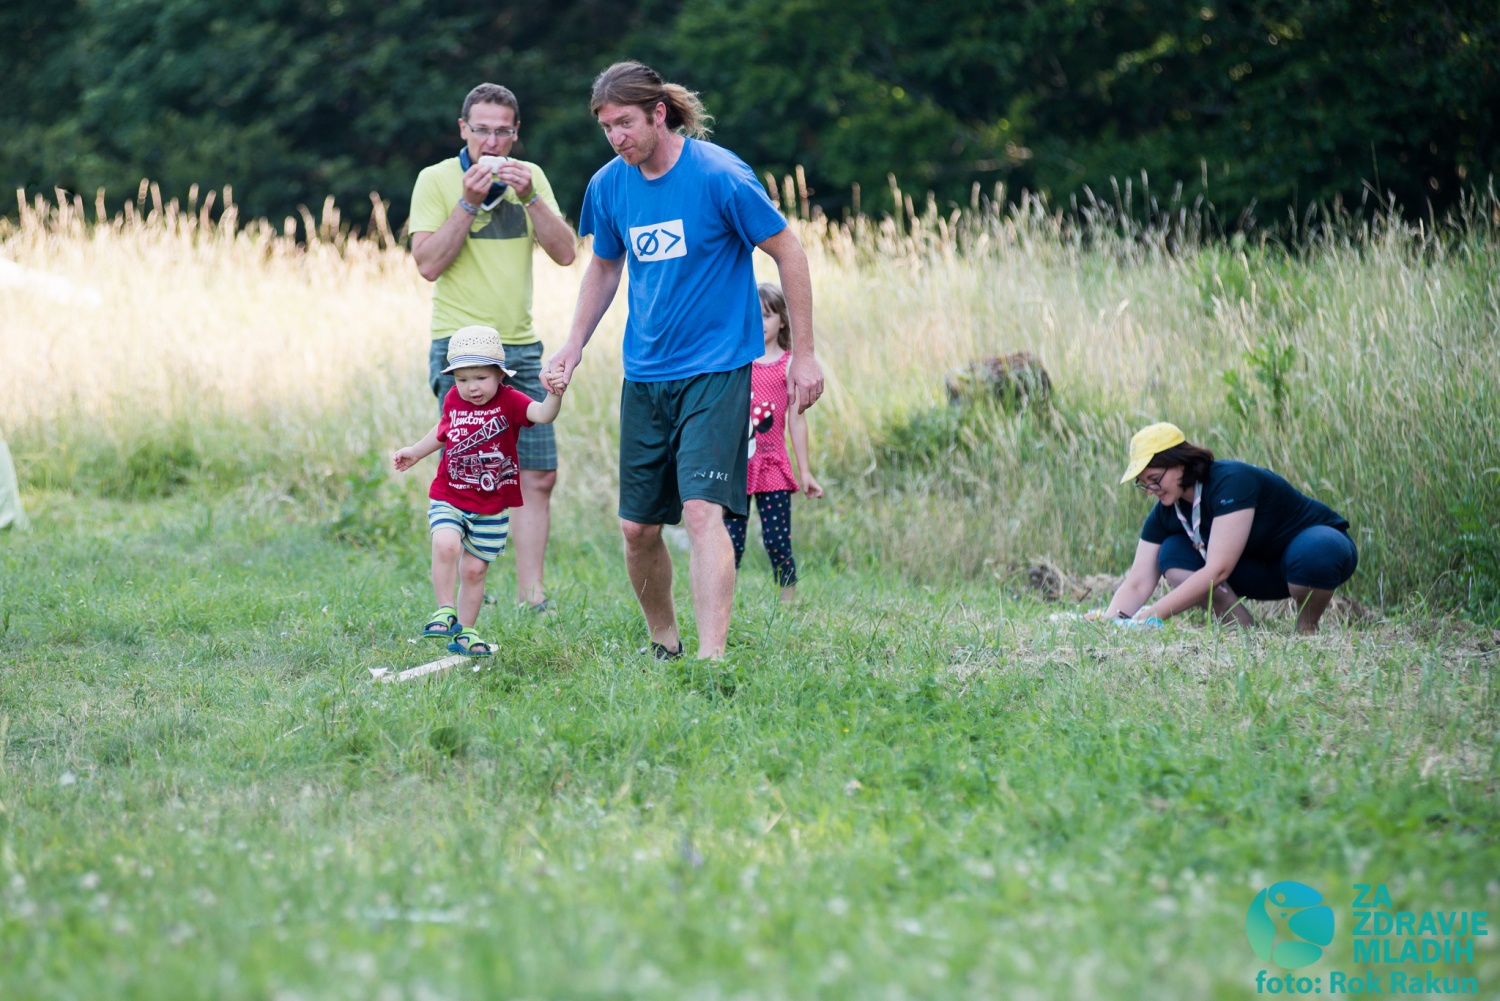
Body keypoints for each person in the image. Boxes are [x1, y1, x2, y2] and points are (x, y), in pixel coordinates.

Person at [545, 61, 825, 660]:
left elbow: (789, 250)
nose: (616, 137)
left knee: (702, 511)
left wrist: (804, 354)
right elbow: (604, 264)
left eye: (625, 123)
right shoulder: (609, 185)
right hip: (645, 374)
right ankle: (664, 644)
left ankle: (712, 658)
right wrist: (574, 343)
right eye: (606, 127)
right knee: (637, 529)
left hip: (719, 369)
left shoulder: (719, 176)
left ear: (659, 114)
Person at [408, 82, 577, 613]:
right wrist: (468, 201)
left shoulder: (533, 179)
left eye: (503, 130)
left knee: (538, 472)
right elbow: (428, 263)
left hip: (521, 345)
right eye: (481, 129)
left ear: (516, 133)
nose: (492, 140)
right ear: (464, 130)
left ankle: (532, 595)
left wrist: (529, 197)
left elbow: (566, 253)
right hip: (460, 347)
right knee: (463, 467)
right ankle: (458, 598)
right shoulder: (435, 180)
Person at [392, 326, 566, 657]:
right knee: (445, 544)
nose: (471, 388)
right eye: (462, 379)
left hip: (491, 505)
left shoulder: (511, 400)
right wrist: (415, 451)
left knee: (475, 569)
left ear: (500, 375)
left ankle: (466, 633)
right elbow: (443, 430)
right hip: (450, 493)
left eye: (481, 378)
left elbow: (543, 415)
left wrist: (555, 393)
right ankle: (445, 610)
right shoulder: (453, 398)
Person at [1097, 422, 1358, 634]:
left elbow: (1218, 569)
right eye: (1144, 484)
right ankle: (1241, 630)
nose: (1152, 490)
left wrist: (1152, 615)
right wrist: (1111, 624)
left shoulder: (1230, 482)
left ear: (1180, 462)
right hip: (1257, 571)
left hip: (1311, 557)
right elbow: (1138, 582)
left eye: (1154, 480)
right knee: (1172, 553)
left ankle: (1306, 630)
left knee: (1316, 550)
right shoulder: (1166, 511)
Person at [725, 282, 824, 602]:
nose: (761, 321)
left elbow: (796, 419)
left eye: (767, 315)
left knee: (778, 541)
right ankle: (722, 605)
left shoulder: (789, 365)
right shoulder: (737, 360)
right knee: (730, 542)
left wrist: (804, 471)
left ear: (782, 320)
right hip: (736, 467)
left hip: (772, 467)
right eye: (756, 315)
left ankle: (789, 606)